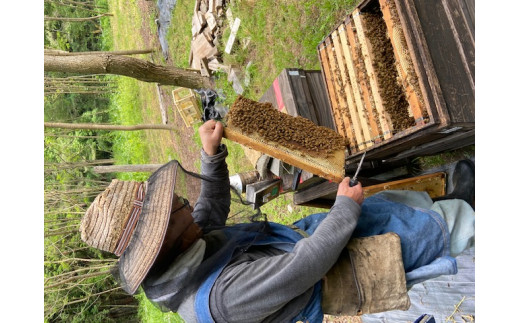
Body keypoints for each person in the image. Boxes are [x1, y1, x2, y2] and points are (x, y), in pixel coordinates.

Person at [79, 120, 475, 323]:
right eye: (172, 207)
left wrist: (211, 155)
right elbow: (304, 267)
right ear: (163, 235)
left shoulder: (184, 248)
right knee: (426, 234)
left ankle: (457, 195)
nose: (183, 200)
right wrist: (344, 210)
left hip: (310, 243)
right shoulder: (223, 299)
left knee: (391, 207)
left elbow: (210, 210)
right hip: (342, 271)